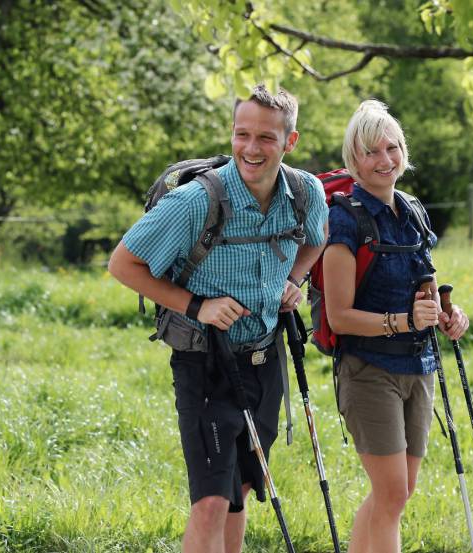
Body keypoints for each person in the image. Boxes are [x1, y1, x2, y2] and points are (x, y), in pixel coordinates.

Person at [108, 85, 328, 553]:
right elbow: (122, 264)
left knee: (239, 491)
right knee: (209, 501)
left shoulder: (306, 193)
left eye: (266, 138)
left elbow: (316, 238)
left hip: (264, 362)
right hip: (203, 363)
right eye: (241, 134)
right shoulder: (194, 202)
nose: (251, 148)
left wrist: (291, 279)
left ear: (290, 142)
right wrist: (197, 306)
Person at [322, 100, 469, 553]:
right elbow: (338, 316)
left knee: (398, 493)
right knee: (390, 493)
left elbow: (423, 285)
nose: (385, 160)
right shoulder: (343, 218)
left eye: (393, 147)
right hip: (368, 369)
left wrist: (447, 314)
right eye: (372, 152)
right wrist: (402, 321)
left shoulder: (414, 212)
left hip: (419, 366)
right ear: (354, 159)